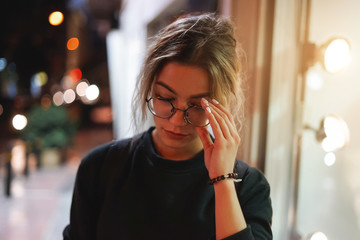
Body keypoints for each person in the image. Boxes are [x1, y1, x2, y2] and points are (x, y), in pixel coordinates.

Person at [63, 13, 272, 240]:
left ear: (222, 104)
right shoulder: (100, 168)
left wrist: (222, 180)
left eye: (197, 105)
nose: (176, 121)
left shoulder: (248, 188)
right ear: (150, 88)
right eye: (165, 98)